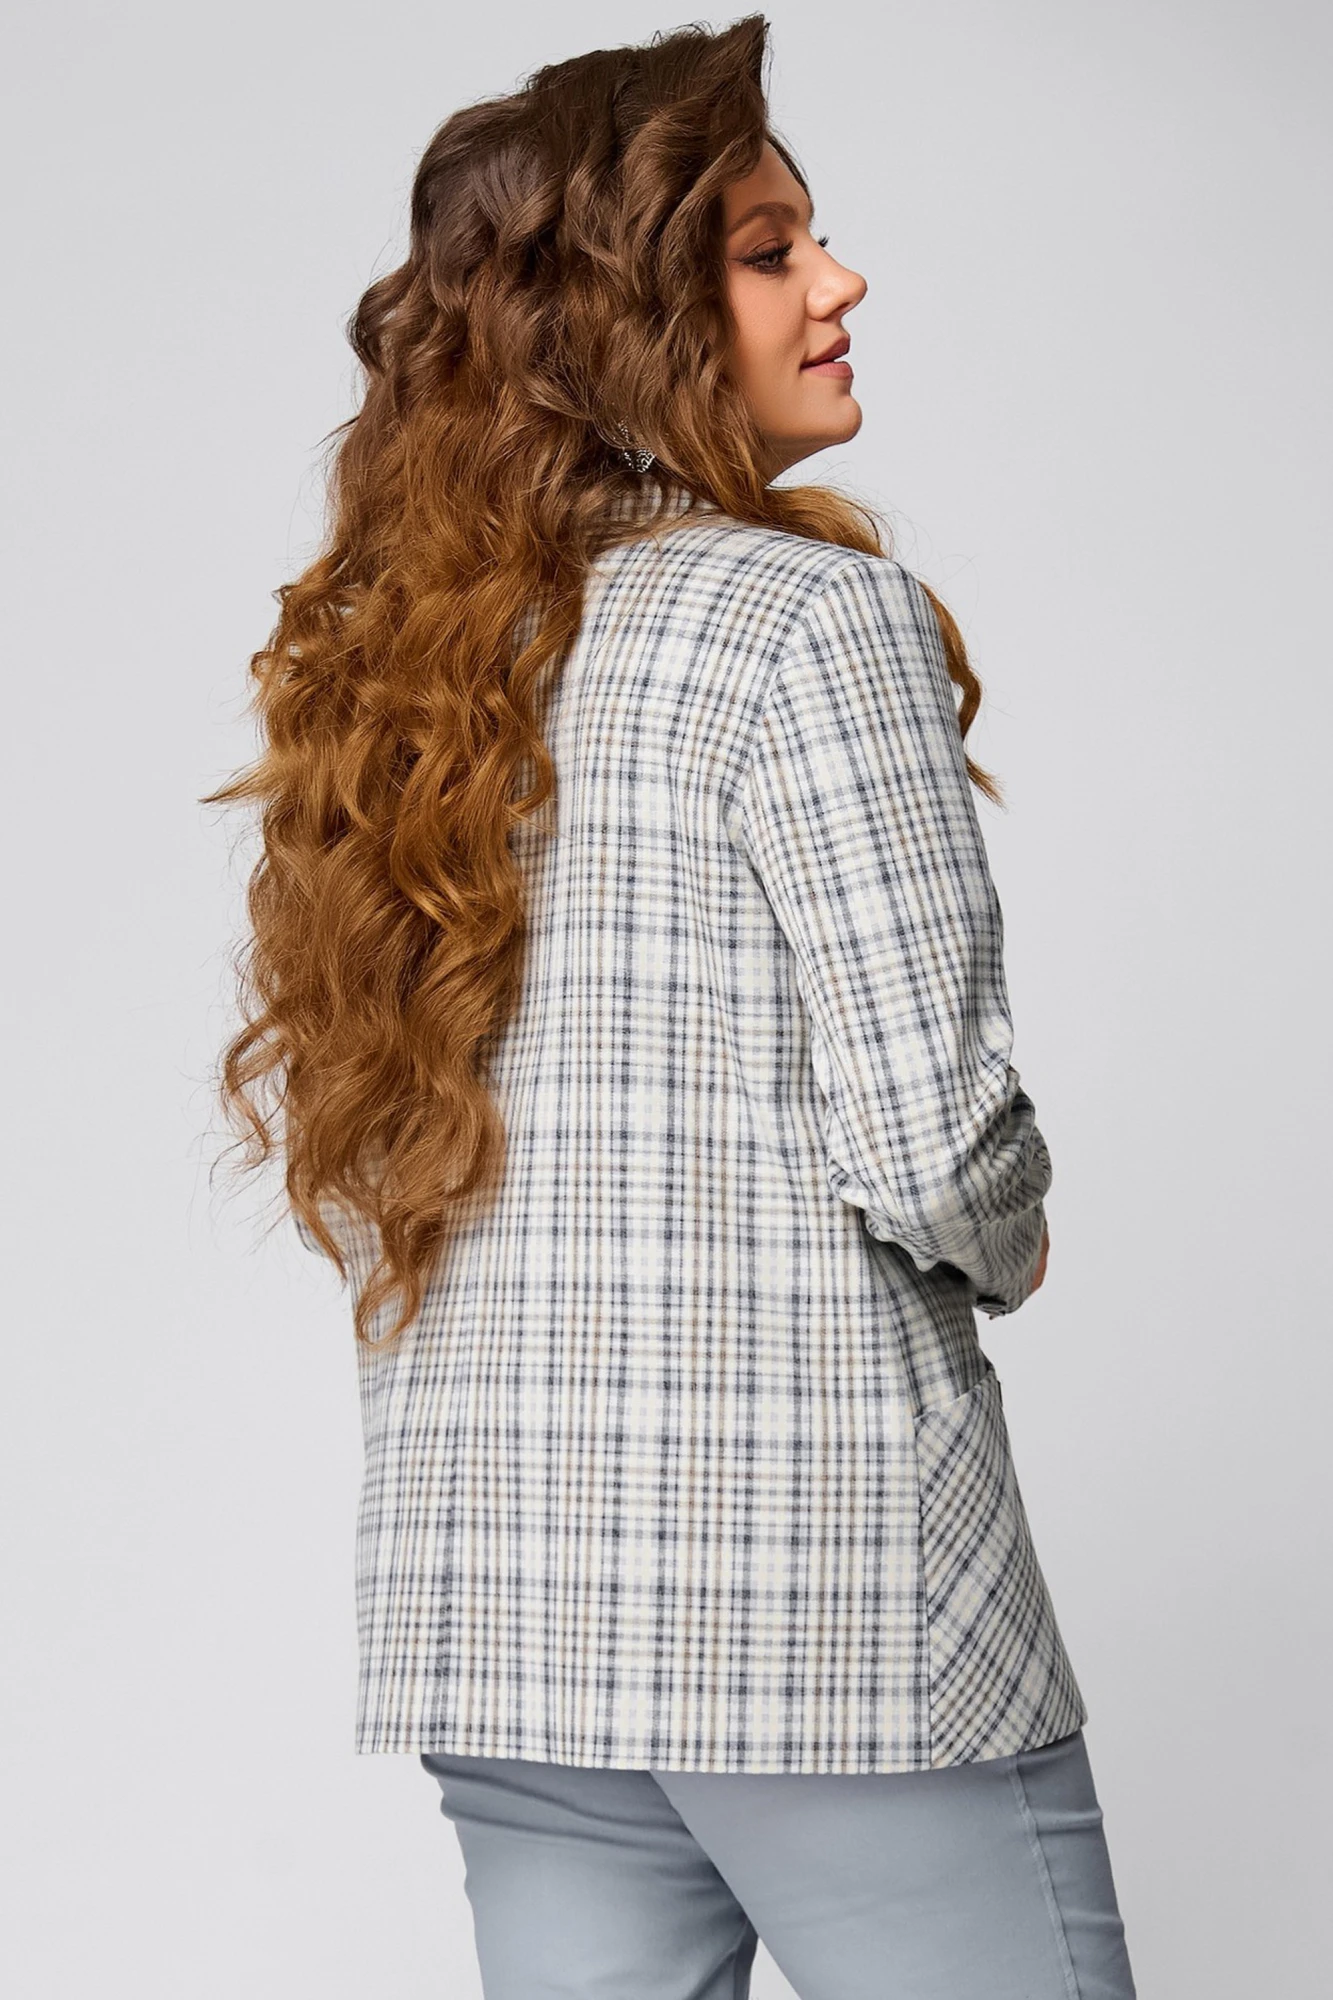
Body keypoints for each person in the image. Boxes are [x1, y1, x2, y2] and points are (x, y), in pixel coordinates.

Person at [204, 15, 1137, 1997]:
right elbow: (932, 1139)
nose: (840, 281)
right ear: (627, 317)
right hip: (819, 1612)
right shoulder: (812, 621)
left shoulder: (405, 667)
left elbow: (381, 1150)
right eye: (771, 251)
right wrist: (1015, 1229)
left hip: (508, 1607)